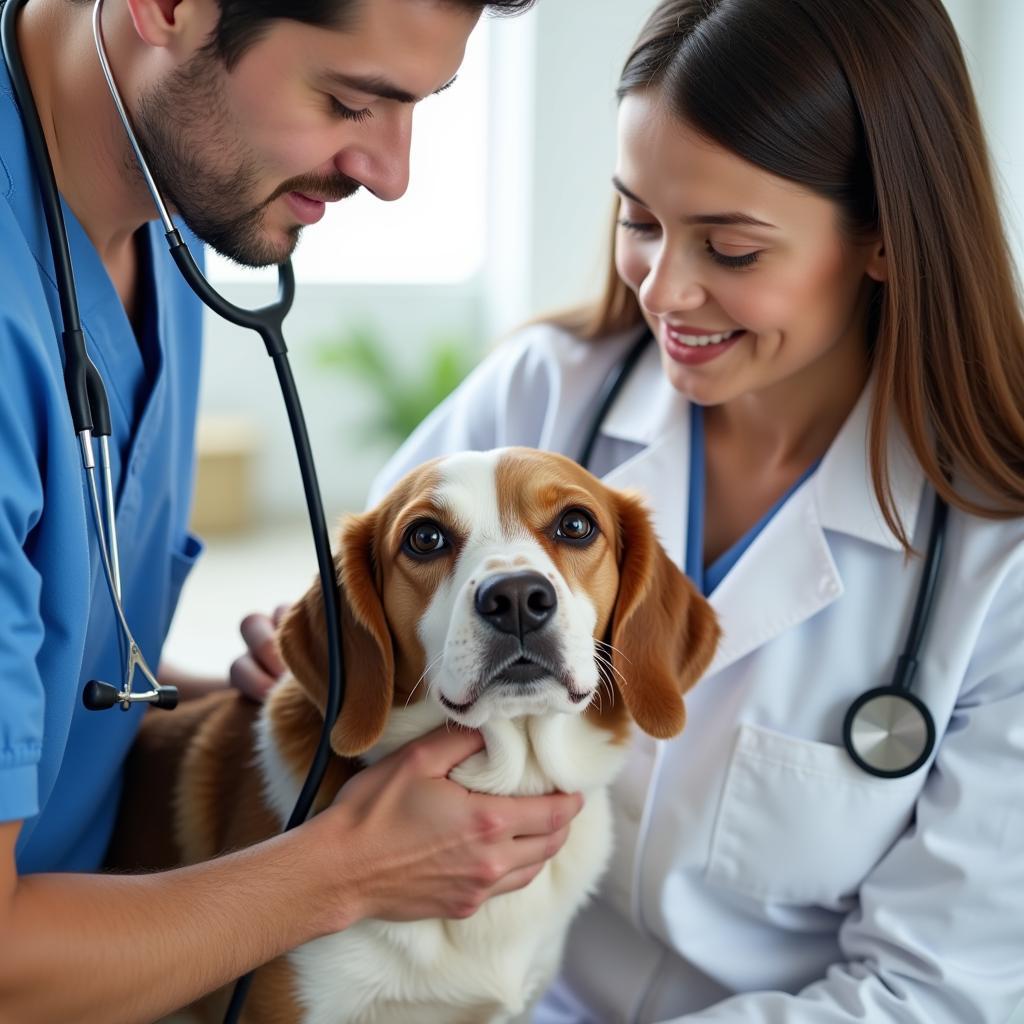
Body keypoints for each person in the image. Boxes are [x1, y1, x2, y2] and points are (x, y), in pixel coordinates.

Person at [365, 0, 1024, 1019]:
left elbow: (926, 991)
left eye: (731, 248)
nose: (663, 290)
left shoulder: (996, 560)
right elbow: (356, 671)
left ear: (885, 240)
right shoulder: (542, 398)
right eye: (640, 219)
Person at [0, 1, 587, 1021]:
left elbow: (61, 664)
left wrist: (265, 699)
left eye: (419, 109)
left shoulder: (164, 225)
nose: (390, 172)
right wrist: (349, 866)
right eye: (350, 101)